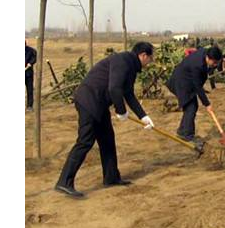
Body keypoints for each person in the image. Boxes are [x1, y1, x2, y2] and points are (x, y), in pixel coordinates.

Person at [55, 42, 156, 198]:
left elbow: (128, 93)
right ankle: (64, 182)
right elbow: (114, 88)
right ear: (143, 55)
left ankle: (111, 177)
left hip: (99, 104)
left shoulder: (130, 66)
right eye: (150, 58)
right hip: (89, 101)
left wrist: (143, 116)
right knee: (85, 141)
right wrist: (120, 111)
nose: (150, 62)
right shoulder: (123, 61)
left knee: (107, 139)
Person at [166, 46, 222, 143]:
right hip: (181, 82)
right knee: (191, 107)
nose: (215, 65)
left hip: (187, 81)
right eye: (214, 62)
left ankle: (182, 131)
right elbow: (198, 87)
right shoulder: (197, 65)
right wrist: (207, 104)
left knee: (191, 107)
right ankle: (187, 135)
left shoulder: (205, 54)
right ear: (208, 58)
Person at [25, 40, 37, 112]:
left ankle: (29, 106)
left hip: (28, 74)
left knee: (30, 90)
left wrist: (30, 63)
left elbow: (35, 57)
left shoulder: (31, 51)